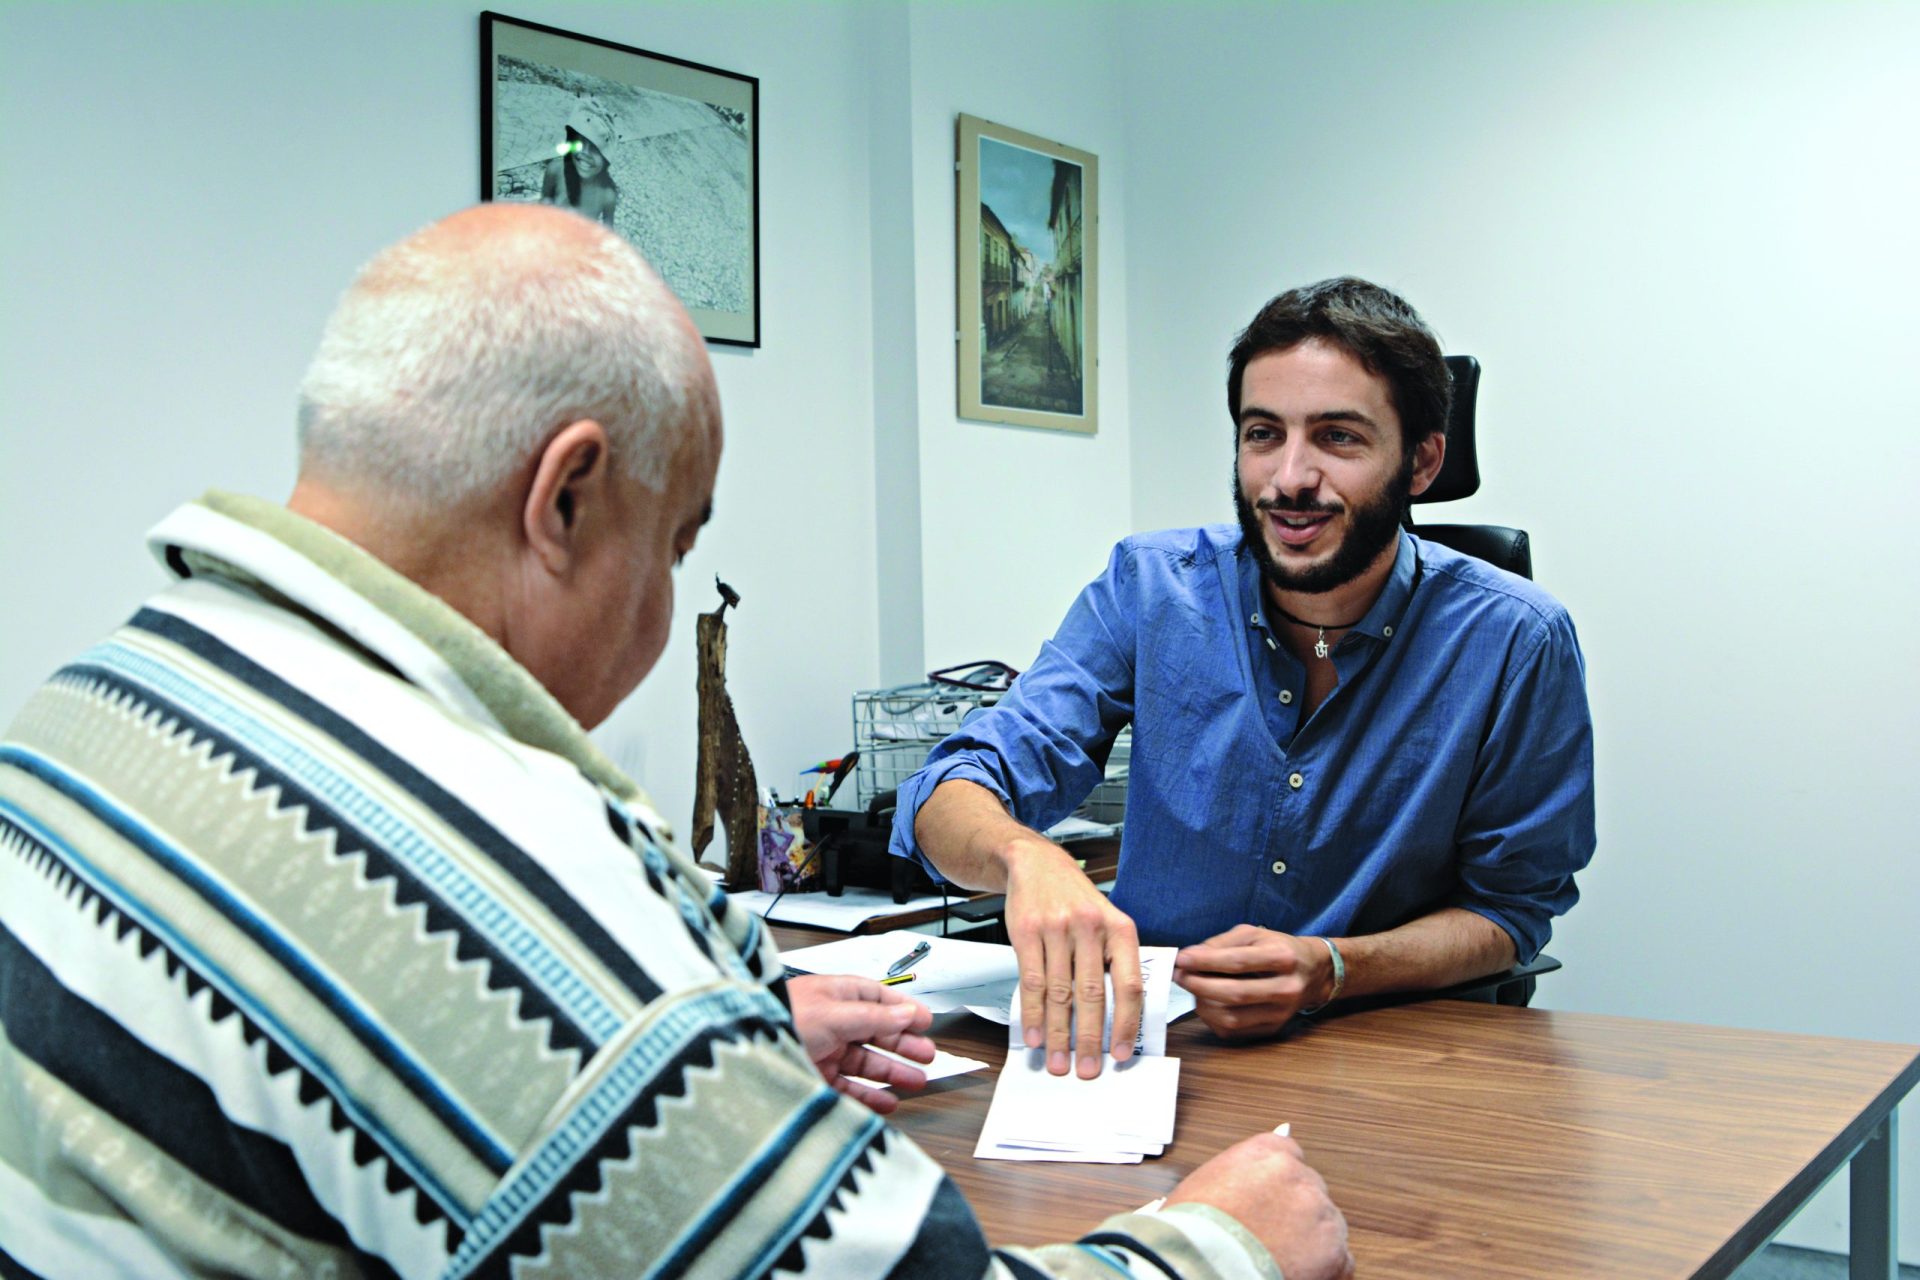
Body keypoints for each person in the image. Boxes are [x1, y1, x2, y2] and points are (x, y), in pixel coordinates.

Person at [0, 203, 1353, 1280]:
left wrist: (723, 1030)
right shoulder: (494, 875)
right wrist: (1222, 1246)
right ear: (568, 498)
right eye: (679, 542)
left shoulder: (94, 702)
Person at [891, 277, 1596, 1079]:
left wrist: (1332, 968)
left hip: (1395, 1066)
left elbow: (1508, 912)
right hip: (1150, 1059)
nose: (1289, 477)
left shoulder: (1516, 640)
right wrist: (1025, 856)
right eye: (1264, 434)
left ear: (1421, 461)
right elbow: (950, 787)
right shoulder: (1149, 588)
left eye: (1338, 438)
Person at [540, 100, 618, 228]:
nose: (585, 153)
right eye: (579, 144)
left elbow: (607, 231)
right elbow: (545, 200)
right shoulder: (555, 169)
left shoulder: (607, 195)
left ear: (605, 160)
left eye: (595, 148)